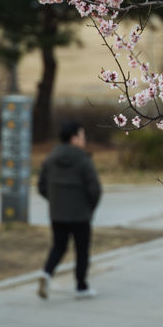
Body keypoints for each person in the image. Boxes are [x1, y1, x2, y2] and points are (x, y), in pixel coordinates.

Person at [37, 120, 102, 300]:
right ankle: (81, 286)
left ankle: (47, 273)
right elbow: (94, 189)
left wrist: (56, 201)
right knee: (82, 250)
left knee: (58, 246)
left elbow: (42, 186)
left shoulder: (51, 158)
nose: (84, 140)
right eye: (82, 136)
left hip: (57, 214)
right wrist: (90, 207)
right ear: (74, 138)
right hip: (81, 215)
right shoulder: (83, 159)